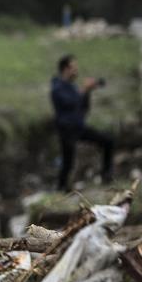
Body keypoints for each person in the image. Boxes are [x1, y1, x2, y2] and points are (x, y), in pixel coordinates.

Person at [51, 54, 114, 191]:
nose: (76, 71)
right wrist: (83, 90)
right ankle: (60, 188)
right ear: (65, 69)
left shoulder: (72, 87)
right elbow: (69, 103)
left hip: (79, 127)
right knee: (68, 162)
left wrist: (87, 92)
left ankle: (106, 175)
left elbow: (83, 108)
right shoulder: (57, 88)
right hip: (66, 130)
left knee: (108, 141)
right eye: (73, 68)